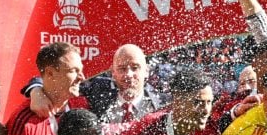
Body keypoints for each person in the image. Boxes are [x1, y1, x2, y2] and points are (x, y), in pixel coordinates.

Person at [0, 42, 89, 135]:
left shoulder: (83, 104)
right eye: (74, 70)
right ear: (50, 73)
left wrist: (34, 88)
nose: (82, 77)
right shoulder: (25, 120)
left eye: (81, 70)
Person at [23, 44, 164, 126]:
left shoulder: (162, 103)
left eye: (135, 67)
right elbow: (56, 81)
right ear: (112, 72)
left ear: (146, 71)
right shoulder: (97, 91)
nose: (128, 74)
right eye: (121, 69)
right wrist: (36, 91)